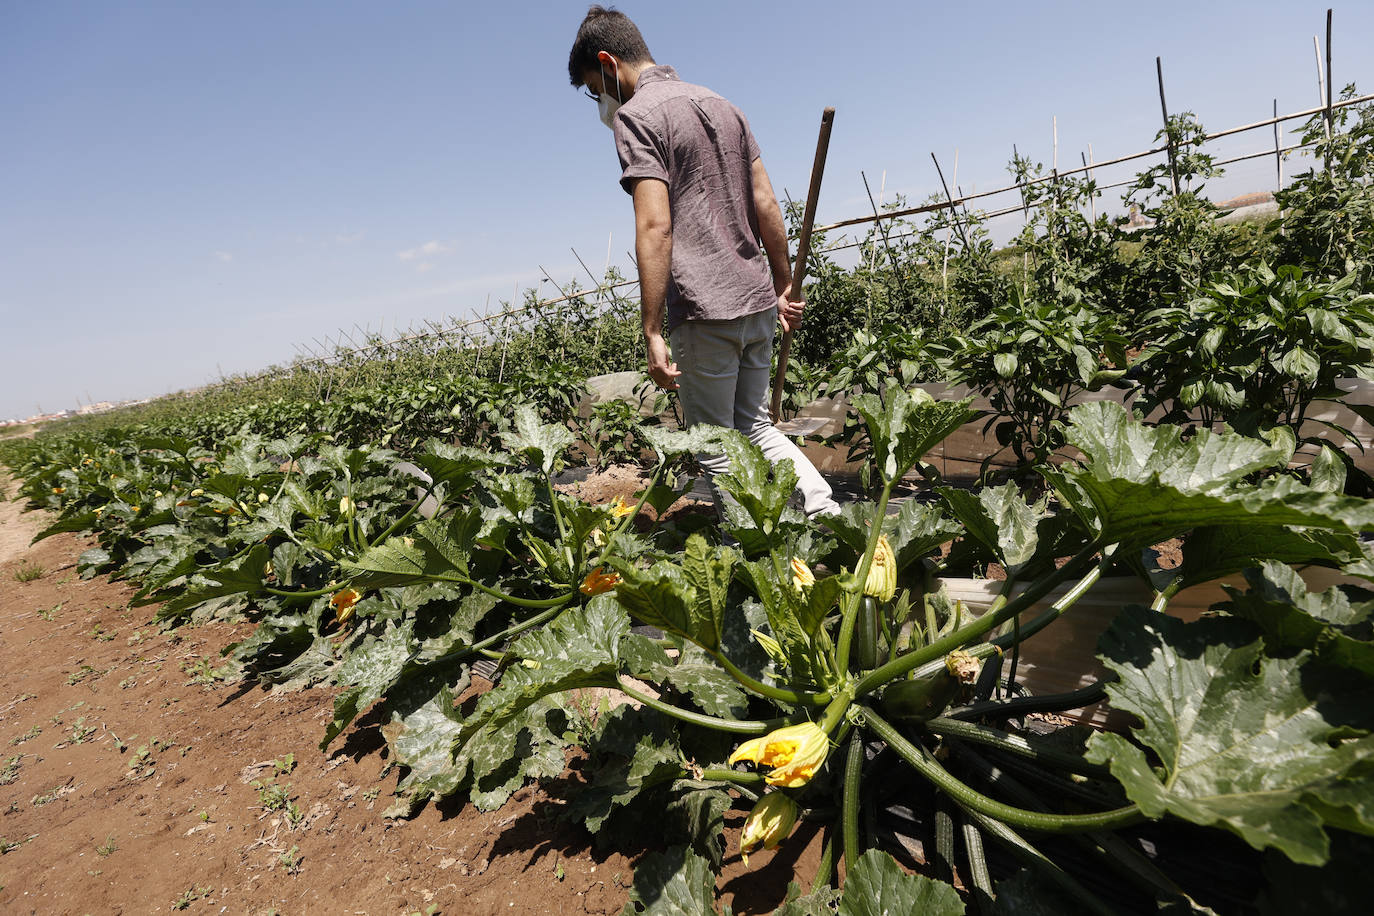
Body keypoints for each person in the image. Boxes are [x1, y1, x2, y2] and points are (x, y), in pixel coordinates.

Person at [567, 5, 841, 519]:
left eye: (593, 88)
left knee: (716, 447)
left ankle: (756, 561)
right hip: (756, 302)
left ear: (608, 64)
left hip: (705, 308)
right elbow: (766, 204)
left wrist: (651, 328)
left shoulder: (637, 117)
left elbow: (655, 225)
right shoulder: (722, 104)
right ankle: (829, 521)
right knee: (756, 428)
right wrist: (783, 286)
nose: (600, 102)